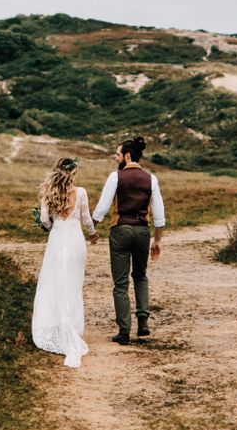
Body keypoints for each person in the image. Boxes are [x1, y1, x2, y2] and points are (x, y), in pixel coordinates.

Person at [92, 136, 165, 345]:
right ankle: (143, 322)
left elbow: (102, 208)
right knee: (141, 276)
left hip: (121, 231)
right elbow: (159, 214)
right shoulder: (151, 179)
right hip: (143, 231)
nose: (116, 158)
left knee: (121, 283)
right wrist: (157, 240)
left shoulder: (115, 177)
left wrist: (91, 229)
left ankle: (124, 331)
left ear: (127, 155)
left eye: (117, 154)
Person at [32, 157, 99, 368]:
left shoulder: (48, 194)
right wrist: (93, 234)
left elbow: (44, 220)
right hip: (75, 243)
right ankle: (70, 325)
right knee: (72, 284)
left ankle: (54, 324)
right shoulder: (81, 192)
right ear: (72, 173)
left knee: (53, 283)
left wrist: (52, 223)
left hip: (57, 241)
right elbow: (87, 219)